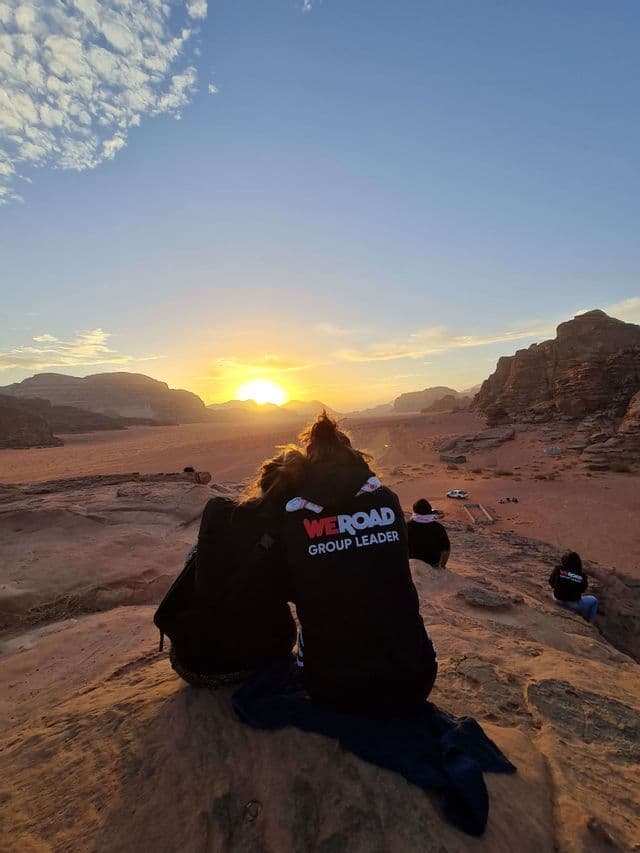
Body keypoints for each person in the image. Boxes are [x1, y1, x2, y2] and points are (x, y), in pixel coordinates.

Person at [279, 412, 438, 714]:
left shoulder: (294, 513)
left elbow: (287, 587)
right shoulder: (387, 499)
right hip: (414, 681)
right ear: (353, 457)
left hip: (331, 689)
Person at [154, 449, 304, 687]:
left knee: (198, 551)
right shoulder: (292, 535)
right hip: (262, 656)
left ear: (263, 479)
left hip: (193, 663)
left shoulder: (217, 510)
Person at [549, 551, 598, 622]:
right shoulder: (582, 576)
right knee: (594, 600)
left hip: (557, 599)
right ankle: (588, 621)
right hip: (572, 604)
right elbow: (583, 590)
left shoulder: (558, 569)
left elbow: (551, 582)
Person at [407, 498, 451, 568]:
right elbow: (446, 549)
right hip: (432, 564)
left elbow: (400, 546)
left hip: (412, 563)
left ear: (414, 511)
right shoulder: (439, 528)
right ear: (429, 511)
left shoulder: (407, 526)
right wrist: (443, 566)